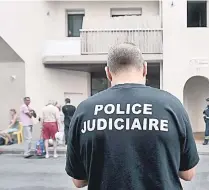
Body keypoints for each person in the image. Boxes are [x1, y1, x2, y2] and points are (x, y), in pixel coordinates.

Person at [65, 43, 199, 190]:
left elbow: (79, 181)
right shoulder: (171, 106)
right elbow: (188, 174)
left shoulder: (85, 110)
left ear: (108, 73)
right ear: (145, 69)